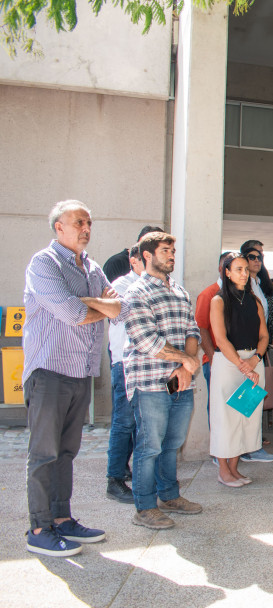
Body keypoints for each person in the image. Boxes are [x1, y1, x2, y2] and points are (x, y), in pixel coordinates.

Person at [23, 200, 127, 557]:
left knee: (66, 453)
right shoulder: (44, 263)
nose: (86, 228)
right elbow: (70, 312)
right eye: (78, 222)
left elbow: (121, 309)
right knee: (44, 454)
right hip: (49, 372)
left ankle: (62, 519)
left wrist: (91, 303)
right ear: (59, 228)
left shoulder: (92, 267)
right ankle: (39, 528)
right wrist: (98, 304)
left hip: (81, 372)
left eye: (89, 222)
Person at [124, 231, 202, 530]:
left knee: (172, 444)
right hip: (150, 383)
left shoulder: (180, 291)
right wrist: (185, 360)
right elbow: (147, 341)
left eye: (173, 250)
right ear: (147, 255)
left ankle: (169, 496)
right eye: (165, 251)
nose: (172, 255)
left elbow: (192, 331)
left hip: (181, 381)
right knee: (149, 446)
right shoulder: (136, 293)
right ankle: (144, 507)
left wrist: (186, 365)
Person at [208, 252, 269, 487]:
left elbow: (264, 335)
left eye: (246, 269)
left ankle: (235, 468)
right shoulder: (218, 300)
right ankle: (223, 470)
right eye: (239, 269)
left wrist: (256, 359)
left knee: (246, 416)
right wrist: (243, 365)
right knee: (226, 418)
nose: (245, 274)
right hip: (229, 363)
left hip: (253, 361)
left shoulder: (254, 300)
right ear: (227, 272)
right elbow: (221, 339)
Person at [105, 245, 145, 504]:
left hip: (149, 364)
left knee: (141, 423)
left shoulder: (159, 285)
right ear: (134, 260)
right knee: (124, 422)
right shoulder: (122, 286)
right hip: (125, 362)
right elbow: (128, 319)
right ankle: (115, 478)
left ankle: (134, 473)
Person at [238, 240, 273, 463]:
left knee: (254, 397)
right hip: (243, 350)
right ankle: (244, 447)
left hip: (259, 349)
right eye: (251, 257)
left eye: (259, 257)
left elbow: (268, 315)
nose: (256, 260)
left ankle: (252, 444)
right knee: (244, 400)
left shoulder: (260, 283)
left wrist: (271, 340)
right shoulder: (237, 284)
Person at [195, 252, 232, 395]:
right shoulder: (208, 294)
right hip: (217, 360)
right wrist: (214, 359)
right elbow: (201, 328)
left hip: (239, 363)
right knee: (218, 411)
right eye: (228, 268)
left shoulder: (244, 295)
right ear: (220, 269)